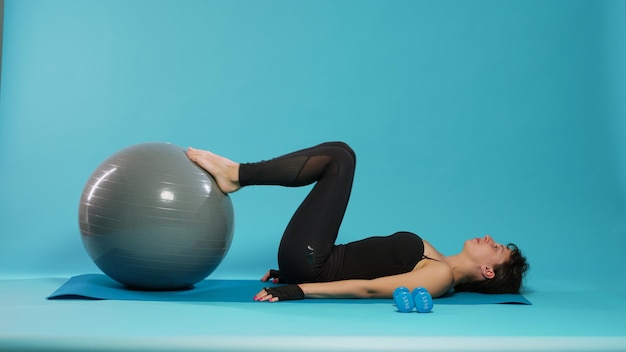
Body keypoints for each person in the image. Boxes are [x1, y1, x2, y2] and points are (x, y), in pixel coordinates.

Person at [186, 142, 529, 302]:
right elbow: (360, 264)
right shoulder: (435, 258)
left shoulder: (439, 276)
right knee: (342, 155)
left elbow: (367, 288)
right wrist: (289, 272)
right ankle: (237, 174)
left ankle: (237, 174)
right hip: (309, 261)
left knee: (339, 158)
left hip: (312, 268)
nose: (488, 237)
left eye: (496, 248)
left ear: (488, 272)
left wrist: (299, 288)